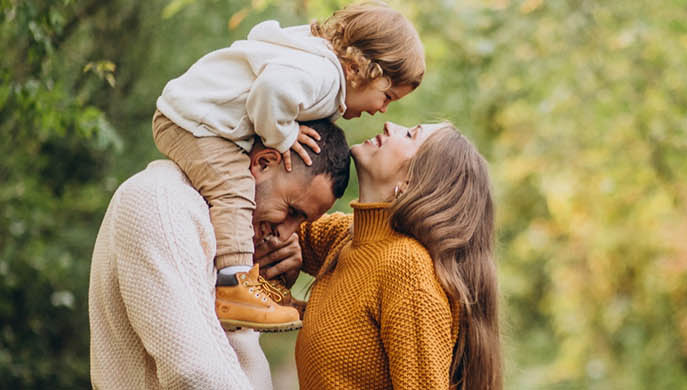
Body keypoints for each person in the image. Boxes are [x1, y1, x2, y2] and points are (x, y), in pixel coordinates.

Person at [152, 1, 425, 330]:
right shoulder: (323, 75)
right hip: (192, 121)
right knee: (235, 192)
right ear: (358, 69)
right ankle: (234, 290)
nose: (383, 110)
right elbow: (271, 88)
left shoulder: (317, 67)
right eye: (388, 96)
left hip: (198, 119)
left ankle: (256, 290)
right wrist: (282, 136)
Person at [88, 120, 352, 389]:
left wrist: (260, 281)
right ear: (263, 163)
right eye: (292, 212)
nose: (285, 235)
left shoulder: (222, 235)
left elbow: (221, 349)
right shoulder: (159, 200)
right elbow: (192, 373)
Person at [264, 122, 503, 389]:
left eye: (411, 134)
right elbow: (269, 225)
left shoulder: (407, 270)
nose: (391, 125)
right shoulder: (348, 238)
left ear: (413, 180)